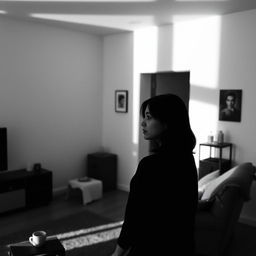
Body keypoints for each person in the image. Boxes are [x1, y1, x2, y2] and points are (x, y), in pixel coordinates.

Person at [111, 94, 198, 256]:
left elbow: (134, 217)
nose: (143, 123)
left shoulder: (150, 165)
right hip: (183, 246)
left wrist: (117, 252)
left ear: (167, 122)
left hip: (152, 247)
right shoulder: (187, 159)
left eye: (149, 118)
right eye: (144, 117)